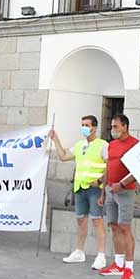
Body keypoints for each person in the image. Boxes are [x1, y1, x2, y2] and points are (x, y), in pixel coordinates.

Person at [50, 116, 109, 270]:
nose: (84, 127)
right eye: (82, 124)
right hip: (80, 188)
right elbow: (63, 156)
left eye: (87, 125)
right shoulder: (80, 145)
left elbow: (110, 166)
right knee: (81, 220)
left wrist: (102, 182)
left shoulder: (103, 145)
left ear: (94, 128)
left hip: (95, 189)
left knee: (98, 221)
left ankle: (101, 255)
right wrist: (56, 139)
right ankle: (79, 251)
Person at [98, 114, 139, 279]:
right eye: (112, 127)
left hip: (125, 192)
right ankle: (118, 264)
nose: (113, 130)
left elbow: (139, 170)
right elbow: (109, 167)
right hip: (110, 191)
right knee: (114, 226)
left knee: (125, 228)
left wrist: (121, 185)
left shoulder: (135, 145)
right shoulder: (112, 145)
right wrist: (103, 191)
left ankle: (129, 269)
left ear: (125, 126)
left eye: (116, 126)